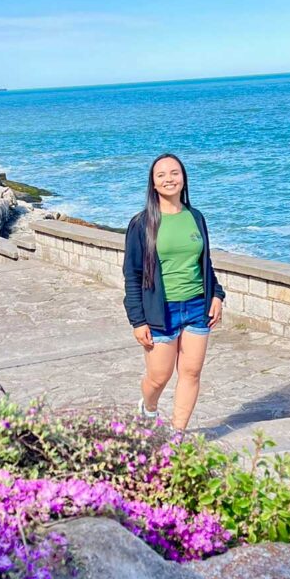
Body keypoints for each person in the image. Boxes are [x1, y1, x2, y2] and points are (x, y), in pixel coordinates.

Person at [122, 152, 225, 432]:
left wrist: (217, 294)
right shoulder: (141, 223)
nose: (169, 179)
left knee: (191, 372)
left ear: (183, 178)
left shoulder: (196, 217)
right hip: (160, 311)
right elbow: (132, 275)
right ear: (153, 184)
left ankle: (176, 437)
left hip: (196, 307)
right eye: (162, 175)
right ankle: (148, 408)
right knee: (159, 376)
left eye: (174, 173)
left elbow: (204, 262)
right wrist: (138, 320)